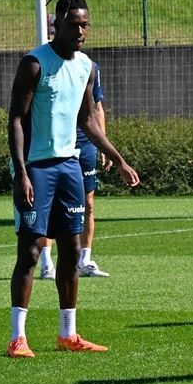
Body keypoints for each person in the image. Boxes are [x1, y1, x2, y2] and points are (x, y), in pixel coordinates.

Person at [6, 0, 140, 359]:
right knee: (31, 251)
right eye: (75, 25)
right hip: (37, 168)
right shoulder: (34, 64)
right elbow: (16, 120)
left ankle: (68, 334)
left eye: (86, 25)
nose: (81, 32)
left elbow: (86, 120)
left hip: (69, 168)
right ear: (57, 24)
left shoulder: (87, 67)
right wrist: (21, 173)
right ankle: (17, 338)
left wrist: (118, 158)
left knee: (71, 250)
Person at [37, 59, 110, 280]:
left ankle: (84, 261)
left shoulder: (90, 66)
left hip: (85, 143)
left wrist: (103, 145)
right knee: (51, 205)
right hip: (57, 144)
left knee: (88, 202)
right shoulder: (45, 64)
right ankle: (47, 264)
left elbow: (97, 108)